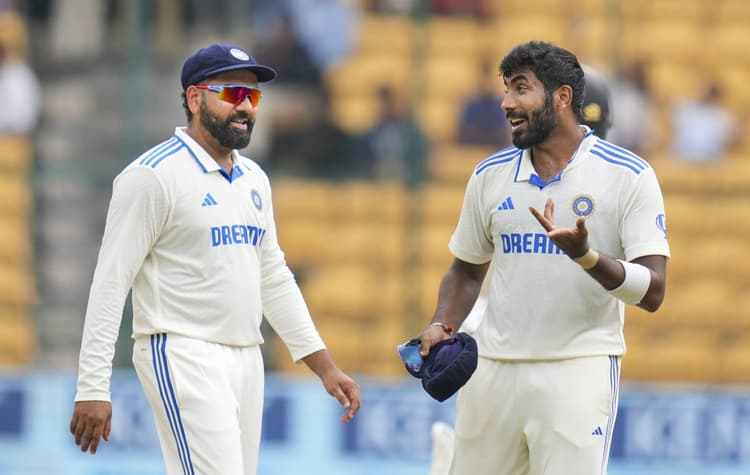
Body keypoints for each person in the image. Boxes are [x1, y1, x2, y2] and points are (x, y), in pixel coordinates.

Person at [69, 43, 361, 474]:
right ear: (194, 98)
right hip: (182, 350)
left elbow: (273, 277)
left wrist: (325, 367)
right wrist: (93, 386)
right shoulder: (152, 176)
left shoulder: (254, 179)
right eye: (232, 94)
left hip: (247, 357)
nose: (245, 107)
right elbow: (112, 281)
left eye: (253, 96)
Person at [410, 41, 669, 475]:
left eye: (520, 88)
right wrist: (442, 323)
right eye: (506, 90)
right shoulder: (490, 174)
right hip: (492, 373)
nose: (506, 103)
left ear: (561, 97)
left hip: (576, 372)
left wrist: (586, 257)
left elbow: (653, 291)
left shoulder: (629, 175)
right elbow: (467, 271)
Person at [358, 84, 428, 187]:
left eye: (389, 103)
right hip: (377, 185)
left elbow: (420, 160)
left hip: (405, 185)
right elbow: (363, 163)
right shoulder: (370, 135)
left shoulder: (412, 133)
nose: (385, 107)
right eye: (382, 103)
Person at [669, 82, 738, 163]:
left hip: (710, 158)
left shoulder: (724, 117)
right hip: (681, 156)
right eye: (701, 92)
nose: (704, 95)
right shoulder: (685, 108)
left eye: (709, 93)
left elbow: (733, 135)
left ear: (716, 96)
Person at [456, 59, 512, 149]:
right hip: (473, 142)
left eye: (488, 77)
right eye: (483, 76)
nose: (485, 82)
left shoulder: (499, 103)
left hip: (493, 142)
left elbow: (502, 131)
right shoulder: (470, 103)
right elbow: (464, 130)